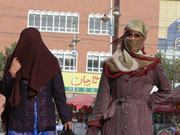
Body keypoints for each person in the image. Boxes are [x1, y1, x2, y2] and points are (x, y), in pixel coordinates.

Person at [86, 19, 171, 135]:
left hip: (140, 124)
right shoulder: (111, 64)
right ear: (124, 36)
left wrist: (146, 101)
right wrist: (93, 127)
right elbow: (102, 99)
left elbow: (166, 90)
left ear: (143, 38)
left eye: (137, 35)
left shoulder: (152, 64)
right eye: (129, 34)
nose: (132, 38)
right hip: (114, 123)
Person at [0, 28, 72, 135]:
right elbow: (4, 90)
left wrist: (66, 118)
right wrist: (12, 73)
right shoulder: (14, 61)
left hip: (45, 126)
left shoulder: (50, 63)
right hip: (18, 125)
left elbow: (59, 94)